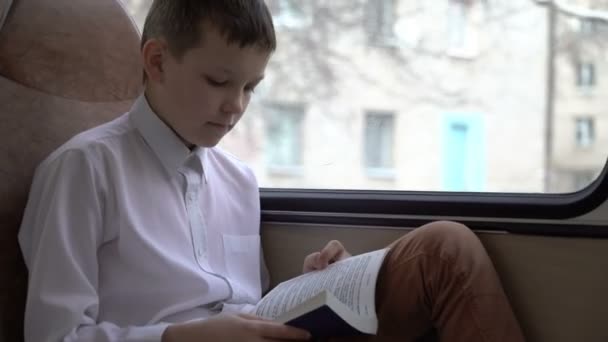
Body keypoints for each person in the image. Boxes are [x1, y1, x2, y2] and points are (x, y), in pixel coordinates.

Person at [17, 1, 525, 341]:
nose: (235, 106)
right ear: (157, 61)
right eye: (219, 81)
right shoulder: (84, 170)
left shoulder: (238, 180)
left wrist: (315, 289)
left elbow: (248, 305)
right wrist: (180, 338)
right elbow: (55, 336)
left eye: (251, 87)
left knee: (445, 248)